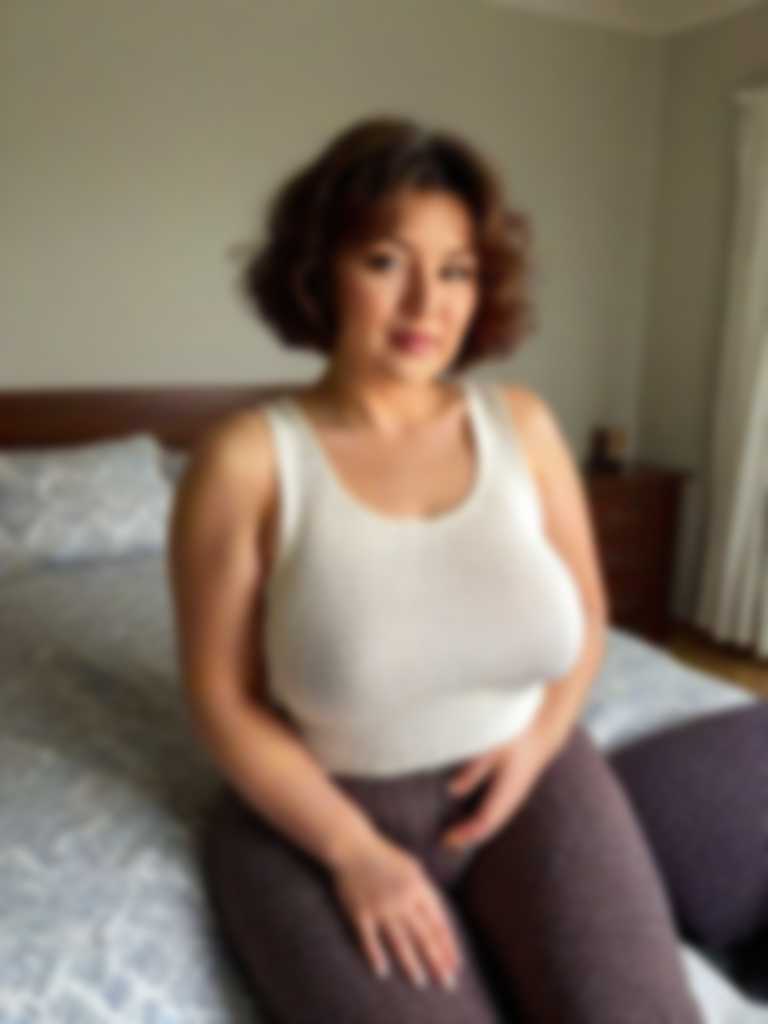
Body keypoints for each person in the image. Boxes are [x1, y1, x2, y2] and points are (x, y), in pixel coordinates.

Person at [167, 115, 766, 1022]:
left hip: (526, 781)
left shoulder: (523, 425)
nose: (426, 304)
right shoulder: (245, 460)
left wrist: (539, 741)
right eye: (386, 262)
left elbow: (586, 619)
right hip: (319, 816)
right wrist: (353, 853)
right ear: (319, 268)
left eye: (456, 270)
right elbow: (222, 702)